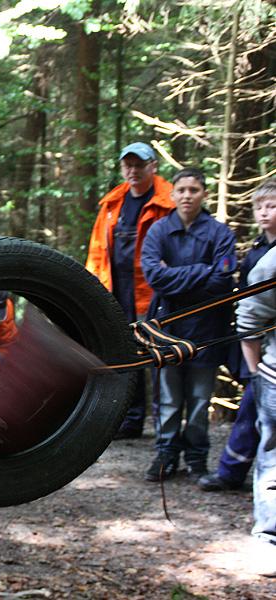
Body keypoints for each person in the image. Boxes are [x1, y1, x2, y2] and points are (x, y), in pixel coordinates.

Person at [140, 168, 237, 482]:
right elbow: (154, 277)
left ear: (204, 194)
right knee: (168, 398)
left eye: (193, 190)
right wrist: (202, 271)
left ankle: (197, 458)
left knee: (198, 399)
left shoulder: (220, 233)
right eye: (181, 190)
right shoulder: (158, 231)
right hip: (166, 328)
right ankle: (166, 454)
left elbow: (223, 281)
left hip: (207, 329)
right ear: (172, 194)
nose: (187, 196)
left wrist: (176, 277)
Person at [86, 142, 174, 439]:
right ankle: (130, 419)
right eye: (128, 165)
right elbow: (98, 250)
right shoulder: (112, 204)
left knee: (158, 353)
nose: (133, 170)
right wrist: (93, 287)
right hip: (116, 288)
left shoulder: (168, 201)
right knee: (124, 352)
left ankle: (164, 426)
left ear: (153, 166)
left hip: (152, 291)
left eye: (139, 165)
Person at [200, 179, 276, 491]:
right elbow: (248, 306)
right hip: (253, 347)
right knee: (251, 408)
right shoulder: (257, 252)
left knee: (254, 409)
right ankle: (231, 472)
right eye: (260, 207)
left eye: (272, 206)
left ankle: (232, 471)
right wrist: (253, 364)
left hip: (267, 351)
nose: (264, 212)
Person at [235, 242, 276, 577]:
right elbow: (249, 316)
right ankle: (268, 540)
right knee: (274, 464)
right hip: (275, 378)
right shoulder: (272, 262)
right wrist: (255, 374)